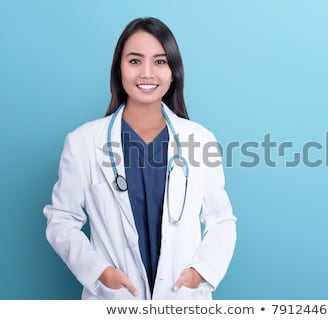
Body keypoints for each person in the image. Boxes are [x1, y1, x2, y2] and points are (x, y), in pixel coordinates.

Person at [43, 17, 237, 300]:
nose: (147, 73)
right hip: (114, 299)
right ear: (119, 69)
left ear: (173, 72)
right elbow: (61, 219)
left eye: (159, 62)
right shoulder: (84, 142)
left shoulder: (199, 140)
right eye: (135, 61)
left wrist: (201, 273)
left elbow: (222, 221)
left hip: (181, 299)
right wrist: (99, 272)